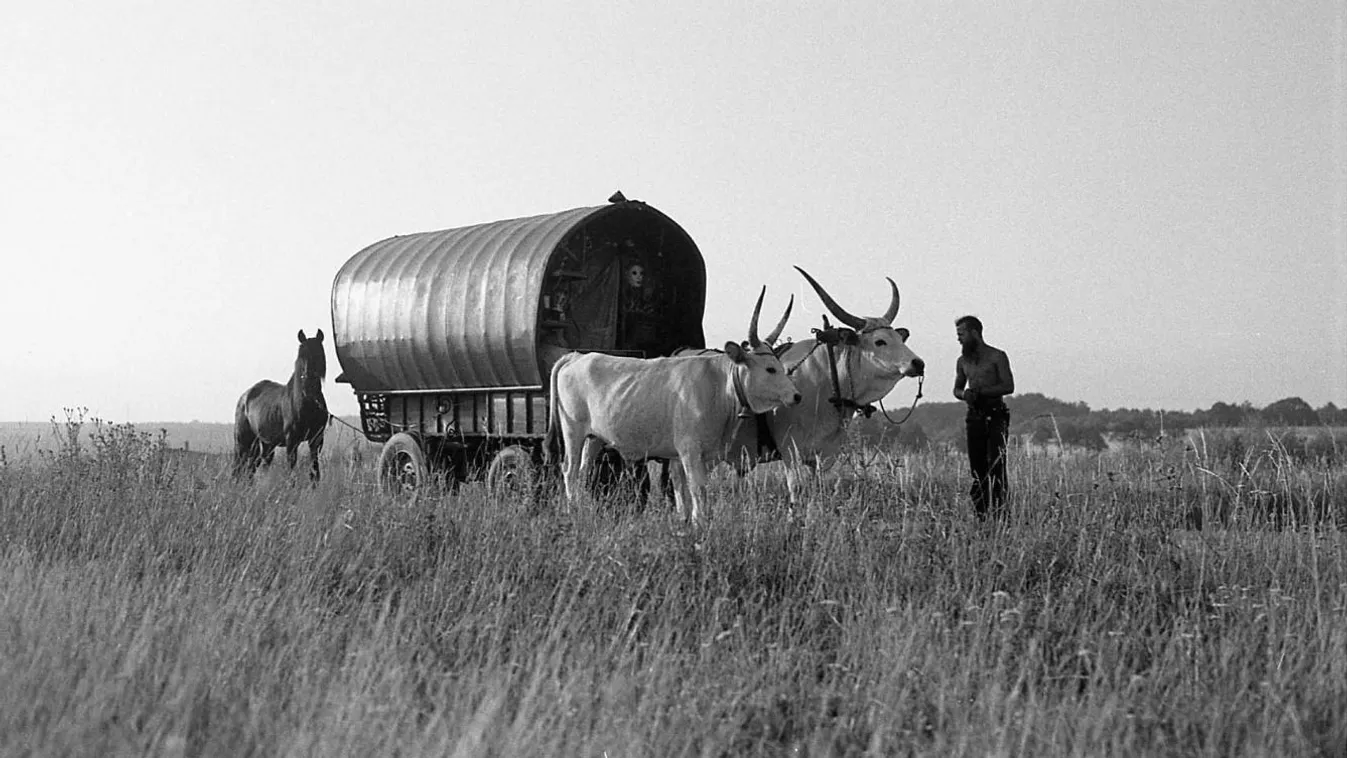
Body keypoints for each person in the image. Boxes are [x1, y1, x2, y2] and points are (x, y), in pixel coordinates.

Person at [953, 315, 1015, 520]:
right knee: (977, 468)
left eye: (961, 334)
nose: (959, 339)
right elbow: (957, 389)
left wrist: (981, 391)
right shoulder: (962, 361)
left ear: (973, 333)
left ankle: (1000, 514)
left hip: (996, 415)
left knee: (996, 465)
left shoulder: (998, 356)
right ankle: (981, 515)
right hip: (974, 417)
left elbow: (1008, 386)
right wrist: (966, 395)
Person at [619, 261, 661, 356]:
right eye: (634, 273)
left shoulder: (647, 297)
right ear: (627, 275)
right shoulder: (621, 297)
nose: (639, 277)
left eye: (641, 273)